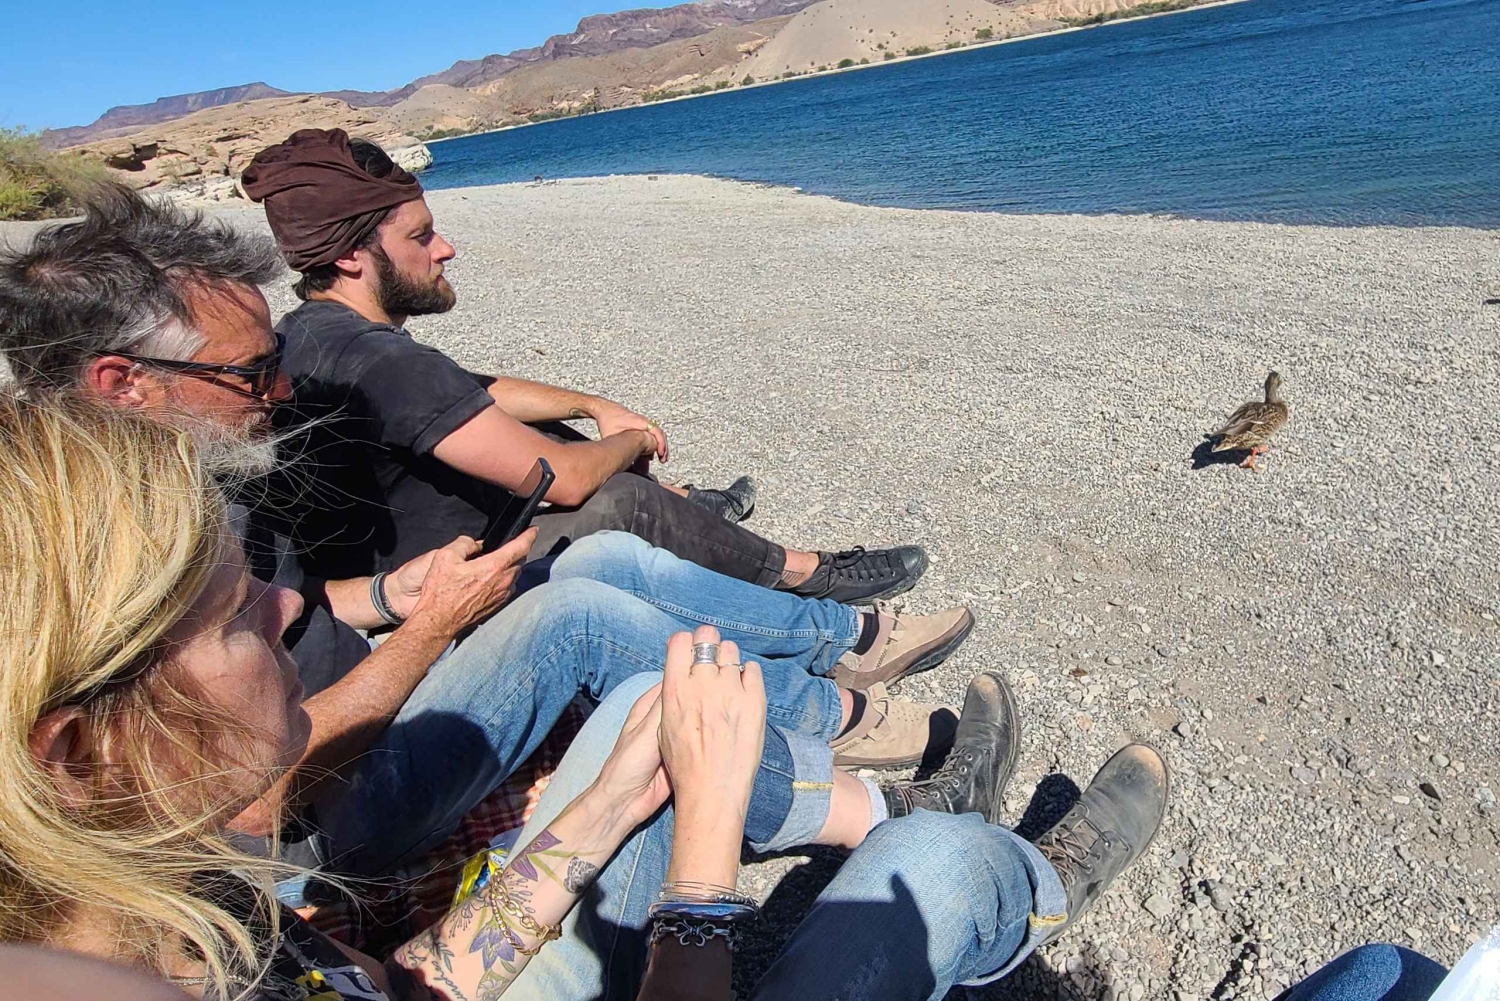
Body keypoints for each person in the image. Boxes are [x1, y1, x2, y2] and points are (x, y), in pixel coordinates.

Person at [0, 195, 976, 892]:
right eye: (252, 375)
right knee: (583, 607)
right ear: (122, 382)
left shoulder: (173, 478)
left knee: (597, 559)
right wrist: (429, 631)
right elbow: (249, 803)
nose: (283, 392)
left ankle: (841, 663)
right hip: (323, 821)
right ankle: (865, 765)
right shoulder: (97, 569)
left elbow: (298, 604)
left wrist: (393, 597)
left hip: (360, 701)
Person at [0, 395, 1065, 1001]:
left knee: (642, 700)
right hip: (357, 831)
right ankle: (1019, 873)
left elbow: (414, 986)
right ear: (82, 751)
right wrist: (701, 868)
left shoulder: (176, 896)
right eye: (237, 614)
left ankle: (872, 748)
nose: (287, 606)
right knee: (946, 866)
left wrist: (601, 809)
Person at [238, 128, 929, 604]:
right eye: (422, 236)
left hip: (405, 547)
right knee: (616, 495)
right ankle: (806, 576)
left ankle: (691, 509)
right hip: (439, 577)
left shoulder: (315, 332)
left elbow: (466, 392)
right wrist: (630, 438)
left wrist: (590, 403)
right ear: (351, 256)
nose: (445, 248)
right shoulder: (379, 358)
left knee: (550, 432)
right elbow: (565, 481)